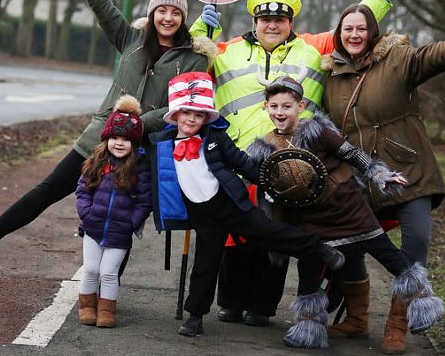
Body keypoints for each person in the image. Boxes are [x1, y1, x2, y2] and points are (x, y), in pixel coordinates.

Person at [0, 0, 217, 262]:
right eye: (161, 10)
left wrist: (137, 123)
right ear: (152, 14)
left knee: (118, 217)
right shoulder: (131, 39)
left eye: (175, 13)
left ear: (183, 17)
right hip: (99, 139)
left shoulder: (192, 58)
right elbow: (103, 7)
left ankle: (107, 294)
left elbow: (180, 106)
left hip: (142, 150)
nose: (167, 18)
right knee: (47, 190)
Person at [203, 0, 407, 327]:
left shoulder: (312, 48)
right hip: (238, 161)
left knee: (275, 236)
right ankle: (231, 302)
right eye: (265, 20)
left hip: (293, 168)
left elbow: (349, 31)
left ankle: (261, 307)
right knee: (235, 238)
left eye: (279, 20)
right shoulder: (226, 49)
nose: (272, 25)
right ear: (254, 22)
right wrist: (201, 28)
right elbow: (188, 54)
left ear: (290, 24)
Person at [321, 3, 445, 353]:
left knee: (416, 243)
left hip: (408, 171)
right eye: (347, 29)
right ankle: (356, 320)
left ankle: (398, 324)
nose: (354, 35)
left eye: (361, 28)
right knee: (349, 241)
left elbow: (438, 55)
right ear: (339, 33)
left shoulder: (398, 60)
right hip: (361, 176)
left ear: (373, 33)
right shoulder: (330, 75)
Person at [248, 75, 444, 349]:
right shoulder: (265, 147)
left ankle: (424, 304)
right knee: (310, 269)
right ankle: (308, 328)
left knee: (388, 255)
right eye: (274, 106)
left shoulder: (318, 130)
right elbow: (266, 186)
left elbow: (352, 153)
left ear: (300, 106)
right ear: (265, 107)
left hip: (348, 209)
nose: (280, 112)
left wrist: (378, 173)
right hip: (311, 219)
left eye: (287, 106)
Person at [146, 72, 346, 340]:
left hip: (230, 204)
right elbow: (148, 173)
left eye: (199, 115)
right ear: (175, 115)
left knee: (268, 233)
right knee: (205, 264)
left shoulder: (216, 138)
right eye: (186, 113)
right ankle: (195, 316)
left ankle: (317, 248)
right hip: (202, 214)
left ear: (206, 117)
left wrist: (275, 185)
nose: (192, 119)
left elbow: (244, 164)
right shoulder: (161, 144)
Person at [75, 94, 151, 328]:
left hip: (120, 231)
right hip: (93, 226)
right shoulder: (98, 161)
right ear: (107, 138)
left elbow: (145, 200)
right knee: (90, 269)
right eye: (115, 138)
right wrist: (86, 213)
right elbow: (82, 190)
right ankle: (87, 306)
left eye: (126, 140)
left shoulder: (139, 168)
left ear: (134, 143)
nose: (119, 143)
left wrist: (131, 222)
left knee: (108, 273)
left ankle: (106, 310)